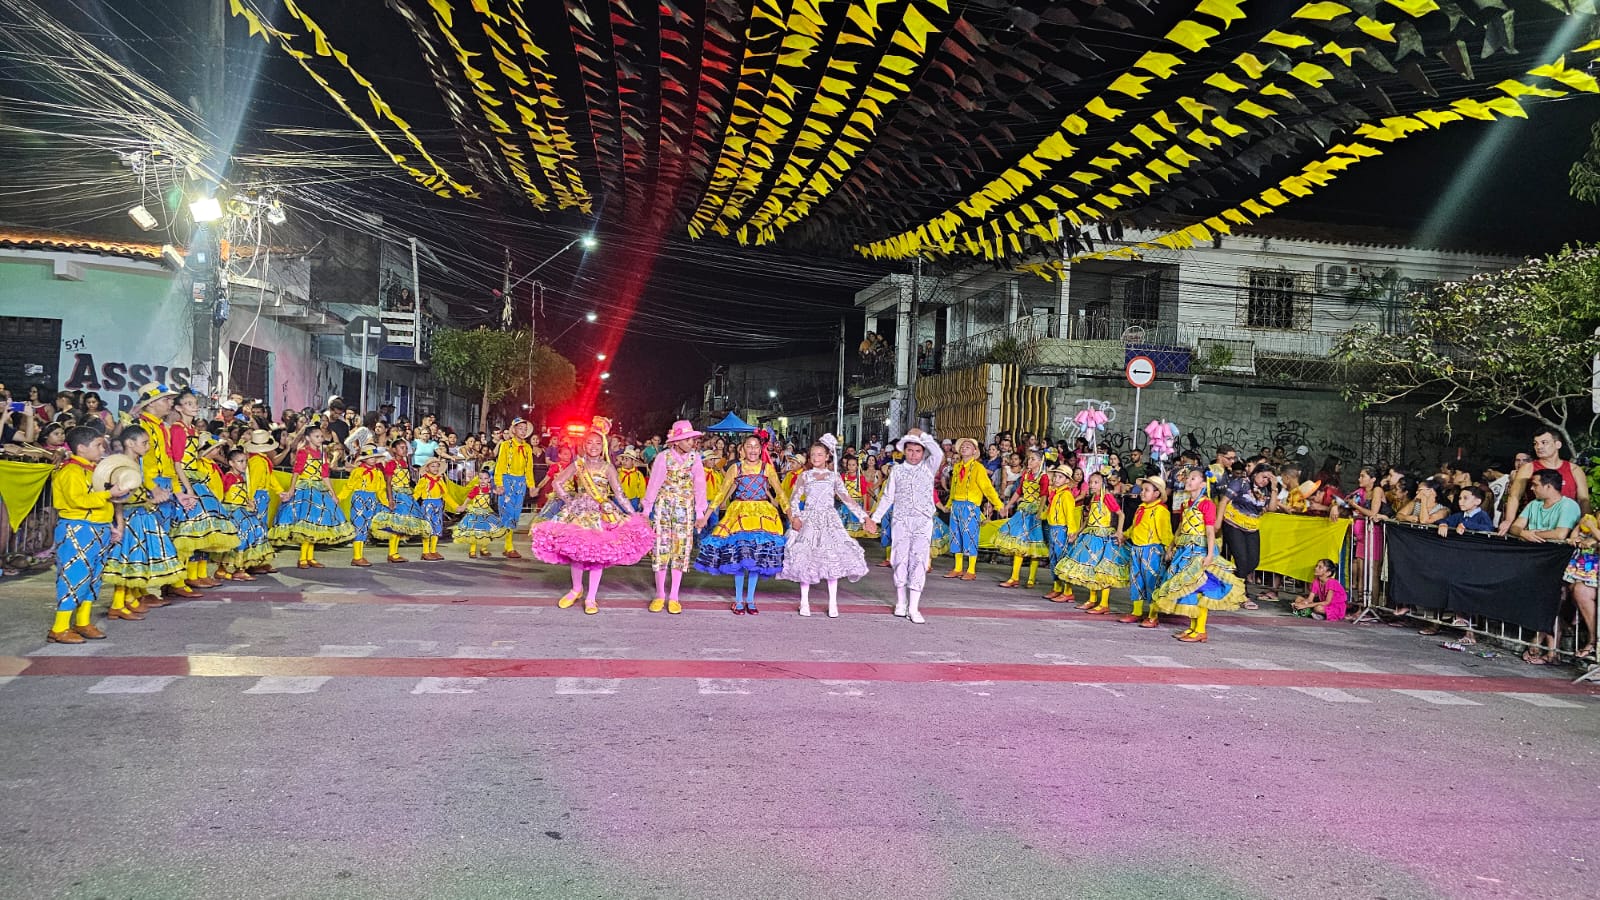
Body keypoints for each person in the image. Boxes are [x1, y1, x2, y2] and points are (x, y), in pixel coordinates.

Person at [530, 418, 654, 615]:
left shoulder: (608, 467)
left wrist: (633, 514)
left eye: (598, 443)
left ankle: (591, 597)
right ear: (584, 445)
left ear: (603, 445)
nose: (594, 446)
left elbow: (620, 494)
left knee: (597, 556)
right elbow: (557, 483)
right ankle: (576, 589)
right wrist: (569, 500)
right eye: (589, 442)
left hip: (601, 514)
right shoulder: (578, 464)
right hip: (579, 513)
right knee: (577, 554)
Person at [46, 427, 128, 642]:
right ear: (81, 448)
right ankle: (59, 627)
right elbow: (78, 500)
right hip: (78, 528)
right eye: (98, 445)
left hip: (97, 528)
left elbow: (100, 502)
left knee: (93, 577)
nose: (102, 449)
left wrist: (109, 524)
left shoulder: (93, 471)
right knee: (74, 576)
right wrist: (109, 494)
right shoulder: (71, 471)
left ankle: (83, 622)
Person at [781, 436, 876, 618]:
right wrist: (795, 517)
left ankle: (833, 603)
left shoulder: (834, 477)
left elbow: (847, 499)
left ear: (827, 457)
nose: (816, 458)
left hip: (829, 520)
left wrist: (864, 517)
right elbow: (794, 499)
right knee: (806, 558)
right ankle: (804, 601)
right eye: (813, 455)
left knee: (832, 558)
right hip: (809, 519)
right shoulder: (805, 476)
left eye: (820, 454)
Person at [694, 433, 789, 614]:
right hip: (739, 514)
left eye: (756, 446)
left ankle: (750, 600)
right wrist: (705, 517)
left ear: (760, 449)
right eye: (749, 446)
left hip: (762, 515)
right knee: (739, 557)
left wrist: (791, 516)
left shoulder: (767, 468)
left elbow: (781, 494)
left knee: (755, 558)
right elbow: (721, 494)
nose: (752, 449)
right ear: (743, 449)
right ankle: (738, 600)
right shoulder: (735, 468)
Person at [1152, 467, 1247, 643]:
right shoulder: (1186, 503)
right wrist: (1171, 546)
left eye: (1193, 478)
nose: (1188, 481)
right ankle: (1193, 628)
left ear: (1203, 484)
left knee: (1199, 588)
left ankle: (1201, 630)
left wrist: (1210, 555)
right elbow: (1180, 528)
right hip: (1184, 550)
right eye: (1188, 478)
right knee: (1189, 588)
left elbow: (1210, 531)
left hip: (1199, 551)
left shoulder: (1207, 504)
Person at [103, 425, 187, 617]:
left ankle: (129, 598)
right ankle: (118, 603)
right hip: (130, 518)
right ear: (130, 443)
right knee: (126, 561)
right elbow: (118, 499)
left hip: (140, 514)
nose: (148, 447)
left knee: (135, 560)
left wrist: (150, 500)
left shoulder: (136, 463)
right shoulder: (122, 466)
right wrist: (120, 524)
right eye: (145, 443)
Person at [869, 429, 942, 624]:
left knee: (919, 560)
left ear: (923, 452)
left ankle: (914, 607)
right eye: (910, 450)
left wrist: (923, 435)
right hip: (901, 520)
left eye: (918, 451)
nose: (914, 454)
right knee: (899, 559)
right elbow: (888, 497)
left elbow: (938, 453)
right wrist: (875, 519)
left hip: (923, 520)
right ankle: (901, 602)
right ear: (904, 451)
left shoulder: (928, 467)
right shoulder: (897, 471)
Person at [1511, 469, 1582, 664]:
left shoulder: (1568, 505)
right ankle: (1548, 648)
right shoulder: (1534, 504)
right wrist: (1523, 533)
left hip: (1560, 563)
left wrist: (1531, 533)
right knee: (1547, 602)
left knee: (1553, 600)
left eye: (1535, 485)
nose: (1532, 489)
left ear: (1549, 486)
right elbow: (1515, 527)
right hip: (1536, 562)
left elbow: (1560, 534)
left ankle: (1546, 647)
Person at [641, 420, 709, 614]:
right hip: (663, 509)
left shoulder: (695, 458)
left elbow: (700, 486)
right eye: (687, 439)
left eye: (692, 440)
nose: (691, 443)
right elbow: (654, 484)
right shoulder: (663, 457)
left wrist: (700, 512)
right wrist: (647, 509)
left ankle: (674, 596)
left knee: (680, 550)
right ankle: (659, 595)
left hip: (685, 510)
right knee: (661, 549)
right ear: (677, 441)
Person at [270, 426, 355, 568]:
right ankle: (303, 558)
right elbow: (296, 472)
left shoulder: (323, 454)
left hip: (319, 489)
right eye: (317, 436)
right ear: (308, 438)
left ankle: (310, 557)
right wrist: (291, 490)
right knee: (306, 523)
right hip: (305, 489)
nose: (320, 439)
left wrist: (333, 494)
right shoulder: (303, 452)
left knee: (315, 522)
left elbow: (325, 475)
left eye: (321, 436)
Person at [1057, 471, 1129, 613]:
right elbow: (1088, 518)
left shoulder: (1106, 496)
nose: (1092, 485)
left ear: (1103, 483)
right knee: (1091, 567)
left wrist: (1119, 532)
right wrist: (1078, 531)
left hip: (1103, 536)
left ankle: (1104, 604)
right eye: (1090, 482)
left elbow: (1121, 514)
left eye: (1096, 482)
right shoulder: (1093, 498)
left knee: (1104, 570)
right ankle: (1092, 600)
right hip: (1091, 535)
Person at [1499, 428, 1590, 535]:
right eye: (1535, 443)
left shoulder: (1574, 469)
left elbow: (1583, 500)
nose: (1539, 447)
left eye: (1544, 442)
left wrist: (1584, 527)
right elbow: (1514, 496)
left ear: (1558, 445)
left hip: (1567, 529)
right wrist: (1509, 520)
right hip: (1536, 528)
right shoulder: (1528, 468)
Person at [944, 437, 1003, 581]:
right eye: (962, 446)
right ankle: (958, 568)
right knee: (955, 536)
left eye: (968, 446)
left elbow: (987, 488)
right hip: (956, 505)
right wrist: (949, 503)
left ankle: (971, 570)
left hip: (970, 506)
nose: (964, 448)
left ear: (975, 451)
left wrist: (998, 504)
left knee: (970, 536)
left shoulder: (978, 468)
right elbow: (953, 487)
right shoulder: (957, 467)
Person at [1221, 462, 1278, 605]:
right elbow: (1224, 501)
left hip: (1252, 526)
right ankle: (1242, 593)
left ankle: (1232, 583)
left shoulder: (1266, 491)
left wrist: (1274, 488)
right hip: (1233, 523)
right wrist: (1216, 523)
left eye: (1268, 479)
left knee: (1253, 561)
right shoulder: (1241, 483)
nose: (1265, 481)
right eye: (1264, 477)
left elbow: (1272, 509)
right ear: (1256, 473)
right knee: (1242, 560)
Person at [1121, 476, 1174, 627]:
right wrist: (1125, 535)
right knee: (1136, 580)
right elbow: (1135, 527)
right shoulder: (1141, 508)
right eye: (1142, 489)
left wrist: (1169, 549)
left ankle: (1153, 615)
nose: (1142, 492)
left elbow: (1166, 533)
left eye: (1147, 490)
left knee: (1152, 582)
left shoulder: (1160, 511)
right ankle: (1136, 611)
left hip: (1152, 550)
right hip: (1136, 549)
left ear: (1157, 494)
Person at [994, 449, 1050, 589]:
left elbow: (1044, 495)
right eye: (1029, 458)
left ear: (1040, 462)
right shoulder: (1025, 474)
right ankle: (1014, 577)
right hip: (1024, 510)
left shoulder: (1043, 477)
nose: (1029, 461)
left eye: (1033, 459)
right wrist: (1008, 506)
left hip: (1035, 511)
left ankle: (1031, 578)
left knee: (1034, 544)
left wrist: (1040, 511)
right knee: (1019, 542)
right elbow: (1019, 491)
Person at [370, 438, 433, 562]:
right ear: (394, 449)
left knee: (402, 525)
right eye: (402, 447)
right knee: (396, 524)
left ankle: (396, 553)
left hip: (406, 495)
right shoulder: (391, 463)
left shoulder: (405, 463)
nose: (405, 450)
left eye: (406, 448)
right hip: (397, 495)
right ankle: (392, 553)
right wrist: (390, 500)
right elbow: (388, 483)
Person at [219, 448, 273, 580]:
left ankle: (245, 565)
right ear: (231, 463)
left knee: (255, 529)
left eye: (245, 461)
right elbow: (220, 495)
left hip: (243, 509)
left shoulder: (242, 477)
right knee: (242, 533)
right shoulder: (229, 477)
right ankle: (235, 569)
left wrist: (249, 503)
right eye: (240, 461)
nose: (244, 464)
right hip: (233, 510)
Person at [339, 445, 392, 567]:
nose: (373, 460)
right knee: (359, 525)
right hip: (359, 498)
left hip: (371, 499)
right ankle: (357, 556)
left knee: (366, 526)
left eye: (374, 457)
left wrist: (386, 502)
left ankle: (360, 555)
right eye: (370, 457)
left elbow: (381, 490)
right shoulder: (357, 471)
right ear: (364, 459)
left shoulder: (378, 473)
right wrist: (339, 497)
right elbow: (349, 486)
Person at [493, 419, 536, 559]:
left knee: (516, 514)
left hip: (520, 483)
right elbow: (500, 465)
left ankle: (508, 544)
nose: (523, 431)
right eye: (520, 428)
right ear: (514, 430)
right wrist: (499, 483)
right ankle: (508, 545)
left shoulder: (528, 448)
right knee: (507, 512)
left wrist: (531, 486)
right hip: (507, 480)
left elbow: (529, 468)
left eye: (525, 429)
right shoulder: (506, 445)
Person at [1041, 465, 1080, 603]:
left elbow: (1070, 515)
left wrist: (1071, 532)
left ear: (1067, 480)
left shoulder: (1066, 495)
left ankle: (1068, 591)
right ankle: (1057, 588)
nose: (1056, 479)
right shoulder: (1056, 493)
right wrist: (1043, 516)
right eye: (1056, 476)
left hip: (1062, 530)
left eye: (1060, 477)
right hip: (1053, 529)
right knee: (1053, 559)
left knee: (1062, 559)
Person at [454, 468, 508, 559]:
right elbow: (469, 497)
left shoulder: (490, 488)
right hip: (476, 514)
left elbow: (498, 492)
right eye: (481, 478)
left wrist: (503, 494)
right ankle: (472, 550)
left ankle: (483, 549)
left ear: (489, 479)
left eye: (485, 478)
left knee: (485, 532)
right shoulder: (476, 488)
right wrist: (464, 505)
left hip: (486, 514)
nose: (483, 481)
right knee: (474, 533)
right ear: (478, 479)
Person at [413, 456, 455, 561]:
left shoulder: (440, 480)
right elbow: (416, 493)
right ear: (427, 468)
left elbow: (446, 495)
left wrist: (456, 506)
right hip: (428, 505)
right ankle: (425, 551)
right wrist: (410, 503)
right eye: (433, 466)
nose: (435, 468)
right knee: (427, 528)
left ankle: (433, 550)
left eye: (437, 466)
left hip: (438, 505)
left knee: (437, 528)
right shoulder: (423, 480)